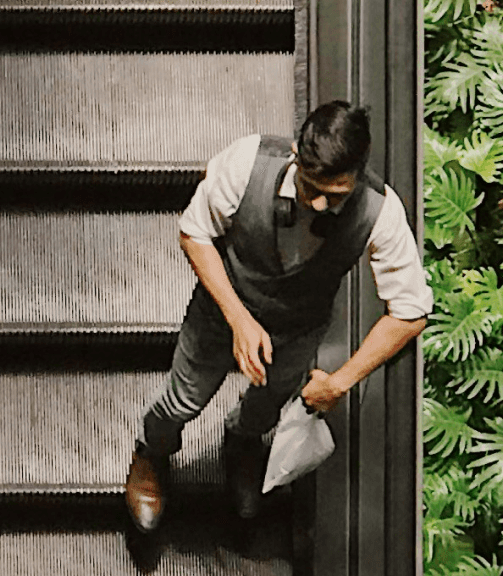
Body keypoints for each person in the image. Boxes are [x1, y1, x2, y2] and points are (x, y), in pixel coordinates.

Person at [123, 101, 432, 533]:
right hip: (221, 310)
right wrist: (239, 320)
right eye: (312, 188)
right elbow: (194, 232)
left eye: (337, 195)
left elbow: (411, 311)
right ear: (294, 154)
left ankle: (243, 444)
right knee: (182, 399)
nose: (322, 205)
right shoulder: (247, 162)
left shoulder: (381, 212)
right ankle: (152, 452)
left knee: (266, 408)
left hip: (297, 327)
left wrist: (339, 382)